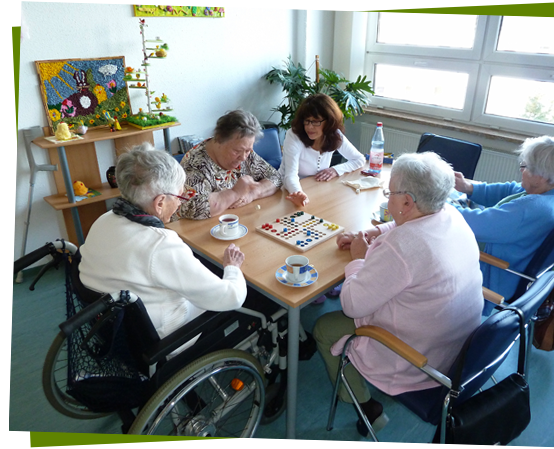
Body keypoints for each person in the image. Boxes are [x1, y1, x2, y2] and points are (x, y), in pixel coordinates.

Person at [314, 152, 483, 437]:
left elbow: (352, 304)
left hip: (419, 359)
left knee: (323, 327)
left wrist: (358, 258)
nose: (386, 199)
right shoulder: (449, 212)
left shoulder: (402, 247)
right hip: (459, 342)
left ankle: (365, 406)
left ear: (407, 202)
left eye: (389, 193)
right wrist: (372, 232)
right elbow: (403, 227)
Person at [79, 144, 247, 356]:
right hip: (160, 338)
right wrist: (232, 268)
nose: (179, 204)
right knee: (237, 301)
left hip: (113, 329)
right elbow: (231, 297)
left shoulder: (103, 221)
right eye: (178, 196)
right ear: (159, 203)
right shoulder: (161, 245)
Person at [452, 135, 554, 307]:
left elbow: (475, 225)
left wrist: (439, 203)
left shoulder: (532, 209)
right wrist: (468, 187)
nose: (521, 170)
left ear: (541, 176)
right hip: (522, 266)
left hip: (501, 274)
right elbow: (513, 189)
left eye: (525, 167)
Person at [176, 110, 283, 220]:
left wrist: (252, 194)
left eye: (248, 150)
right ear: (218, 139)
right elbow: (196, 208)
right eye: (237, 151)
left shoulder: (245, 151)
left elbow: (275, 177)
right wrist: (235, 193)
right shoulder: (195, 164)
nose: (243, 157)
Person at [279, 93, 366, 207]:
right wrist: (298, 193)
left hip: (319, 190)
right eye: (307, 121)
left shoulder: (334, 134)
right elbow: (290, 175)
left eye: (316, 121)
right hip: (289, 192)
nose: (310, 127)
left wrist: (335, 170)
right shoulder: (294, 135)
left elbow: (359, 159)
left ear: (329, 121)